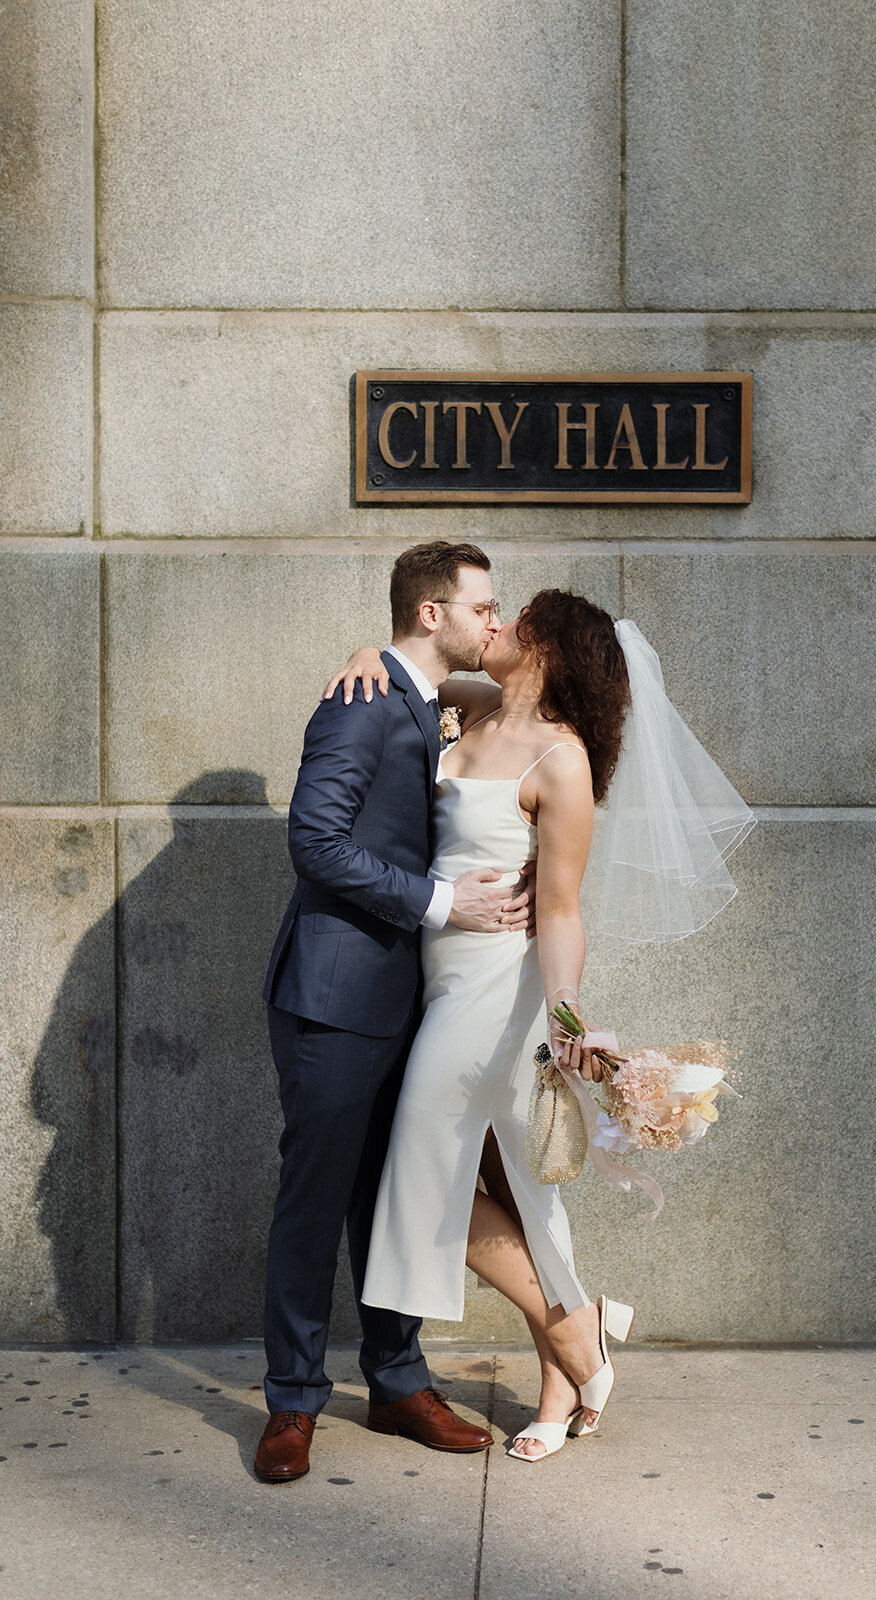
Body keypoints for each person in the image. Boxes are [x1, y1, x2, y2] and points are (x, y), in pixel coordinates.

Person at [326, 589, 636, 1461]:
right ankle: (564, 1368)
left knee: (416, 1176)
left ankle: (573, 1329)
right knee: (521, 1188)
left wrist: (570, 1017)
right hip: (436, 975)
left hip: (500, 991)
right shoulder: (472, 708)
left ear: (544, 647)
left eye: (510, 618)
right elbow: (404, 676)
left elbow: (563, 909)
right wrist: (363, 654)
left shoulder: (561, 759)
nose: (489, 627)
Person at [255, 541, 536, 1484]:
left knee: (396, 1198)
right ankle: (291, 1401)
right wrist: (439, 903)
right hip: (334, 1001)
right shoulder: (359, 703)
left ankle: (395, 1381)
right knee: (316, 1199)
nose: (494, 621)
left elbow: (518, 704)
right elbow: (314, 840)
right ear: (431, 615)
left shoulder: (416, 696)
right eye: (482, 607)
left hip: (414, 1000)